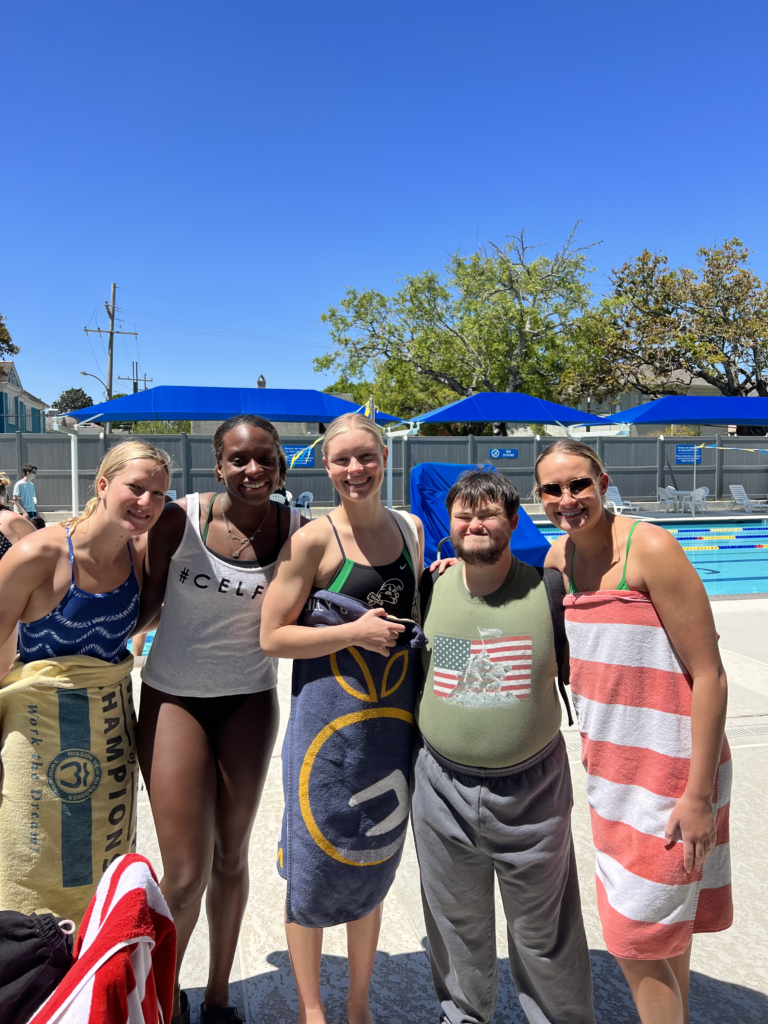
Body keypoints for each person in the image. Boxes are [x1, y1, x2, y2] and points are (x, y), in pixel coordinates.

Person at [538, 439, 731, 1024]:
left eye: (579, 484)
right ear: (539, 496)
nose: (568, 499)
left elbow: (710, 674)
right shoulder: (557, 562)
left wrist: (697, 796)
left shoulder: (649, 548)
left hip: (674, 772)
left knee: (634, 940)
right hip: (614, 773)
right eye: (553, 489)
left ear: (602, 480)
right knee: (663, 932)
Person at [136, 414, 304, 1024]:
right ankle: (161, 999)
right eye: (238, 459)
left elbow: (359, 565)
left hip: (249, 702)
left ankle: (217, 998)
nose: (252, 470)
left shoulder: (297, 530)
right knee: (184, 873)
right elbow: (143, 601)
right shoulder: (180, 518)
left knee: (232, 856)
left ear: (282, 464)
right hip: (174, 698)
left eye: (265, 458)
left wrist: (437, 566)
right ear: (218, 465)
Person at [411, 469, 594, 1024]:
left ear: (513, 521)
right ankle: (463, 1015)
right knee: (454, 926)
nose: (476, 523)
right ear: (452, 526)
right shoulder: (430, 588)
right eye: (465, 515)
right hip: (441, 789)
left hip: (532, 791)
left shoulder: (549, 590)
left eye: (489, 513)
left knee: (545, 933)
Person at [261, 412, 425, 1024]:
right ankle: (312, 1010)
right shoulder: (312, 540)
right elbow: (272, 636)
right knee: (312, 859)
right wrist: (354, 630)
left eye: (366, 457)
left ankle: (358, 1005)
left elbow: (415, 616)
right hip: (326, 731)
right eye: (342, 460)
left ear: (384, 456)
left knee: (370, 857)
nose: (355, 470)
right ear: (325, 466)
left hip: (388, 728)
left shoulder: (410, 530)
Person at [0, 441, 169, 666]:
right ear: (102, 486)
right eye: (135, 487)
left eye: (158, 492)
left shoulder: (141, 554)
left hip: (115, 699)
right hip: (37, 700)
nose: (146, 501)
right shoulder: (37, 555)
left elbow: (119, 625)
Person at [0, 472, 36, 675]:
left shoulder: (11, 521)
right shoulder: (11, 521)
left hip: (5, 608)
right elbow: (49, 555)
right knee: (3, 673)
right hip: (5, 607)